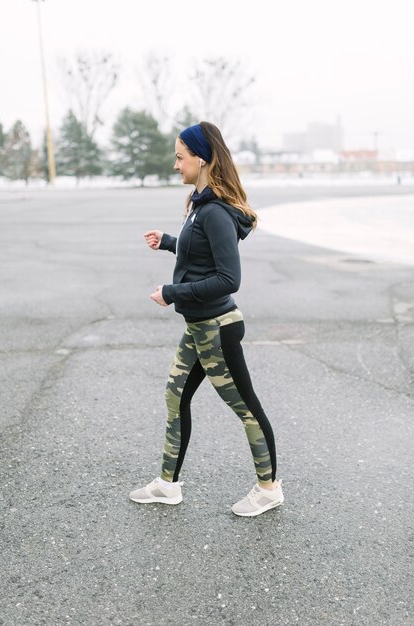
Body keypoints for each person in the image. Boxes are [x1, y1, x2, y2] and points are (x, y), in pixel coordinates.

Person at [129, 122, 284, 517]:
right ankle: (167, 484)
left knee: (246, 407)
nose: (175, 163)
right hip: (199, 328)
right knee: (175, 395)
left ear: (201, 159)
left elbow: (228, 278)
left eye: (180, 156)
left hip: (217, 329)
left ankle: (268, 489)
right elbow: (201, 253)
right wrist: (169, 242)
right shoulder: (200, 205)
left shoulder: (213, 212)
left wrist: (172, 292)